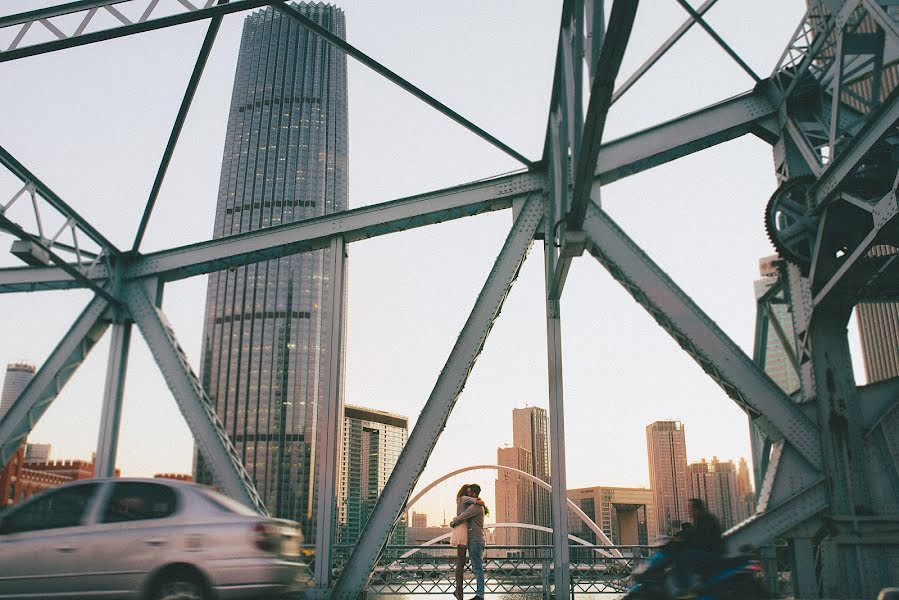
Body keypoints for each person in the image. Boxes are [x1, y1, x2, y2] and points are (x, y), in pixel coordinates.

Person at [673, 498, 724, 596]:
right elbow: (695, 535)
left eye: (689, 507)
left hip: (713, 553)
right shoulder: (702, 518)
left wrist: (682, 540)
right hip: (710, 551)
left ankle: (686, 589)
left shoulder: (705, 519)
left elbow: (699, 536)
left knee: (685, 557)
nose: (688, 510)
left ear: (696, 508)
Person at [450, 483, 488, 600]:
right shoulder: (473, 504)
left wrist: (453, 522)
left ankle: (480, 595)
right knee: (477, 568)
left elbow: (463, 516)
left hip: (476, 540)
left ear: (474, 493)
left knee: (477, 568)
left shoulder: (475, 507)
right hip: (475, 540)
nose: (468, 492)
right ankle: (475, 594)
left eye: (470, 491)